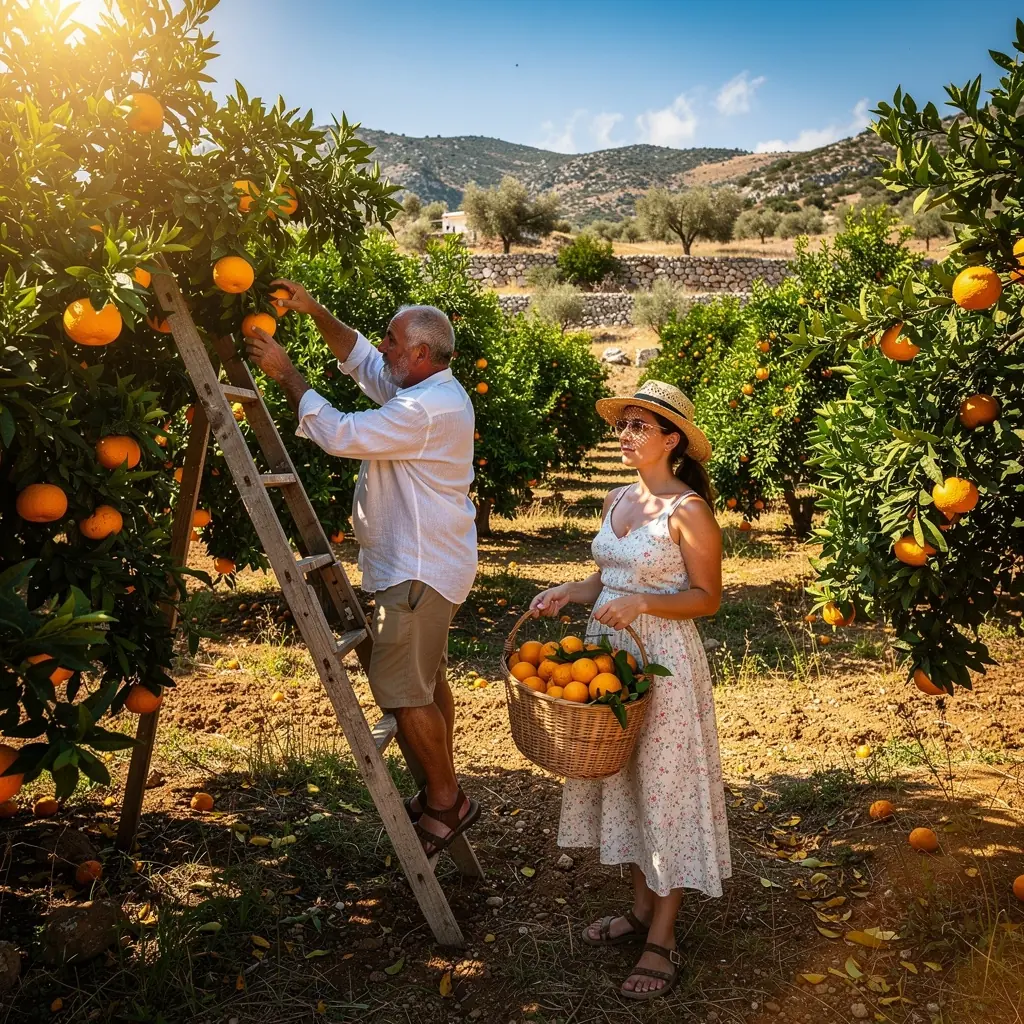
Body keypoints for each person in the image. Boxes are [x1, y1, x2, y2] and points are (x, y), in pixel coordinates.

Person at [245, 280, 480, 858]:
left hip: (419, 569)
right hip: (424, 564)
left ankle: (446, 802)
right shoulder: (419, 384)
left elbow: (342, 434)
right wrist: (315, 306)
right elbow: (361, 359)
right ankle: (439, 790)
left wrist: (286, 374)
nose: (385, 347)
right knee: (425, 683)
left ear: (421, 354)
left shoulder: (425, 408)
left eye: (394, 340)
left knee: (403, 693)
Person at [529, 380, 730, 1002]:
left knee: (665, 788)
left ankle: (662, 937)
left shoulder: (688, 511)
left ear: (672, 440)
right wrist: (569, 591)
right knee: (627, 778)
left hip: (661, 660)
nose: (627, 434)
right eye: (625, 424)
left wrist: (645, 601)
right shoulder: (621, 497)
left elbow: (708, 597)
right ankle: (641, 910)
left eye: (641, 426)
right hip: (608, 659)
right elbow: (607, 575)